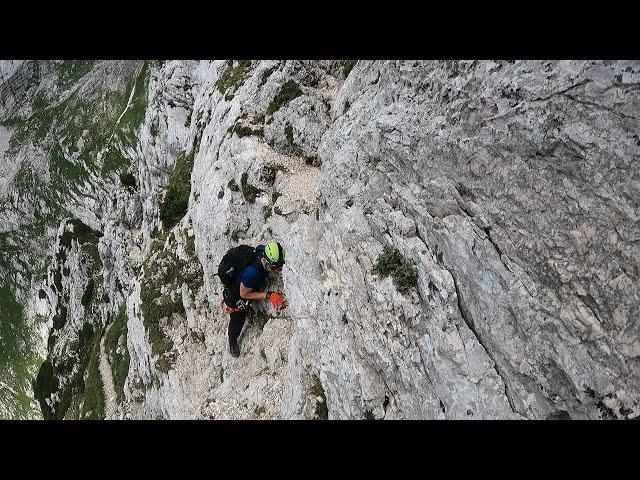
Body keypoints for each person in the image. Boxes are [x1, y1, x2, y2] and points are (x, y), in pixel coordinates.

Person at [224, 241, 286, 357]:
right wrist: (268, 295)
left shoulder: (264, 251)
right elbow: (243, 294)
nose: (278, 270)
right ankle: (232, 341)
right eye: (275, 267)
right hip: (235, 294)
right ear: (267, 262)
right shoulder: (253, 273)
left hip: (245, 281)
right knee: (238, 319)